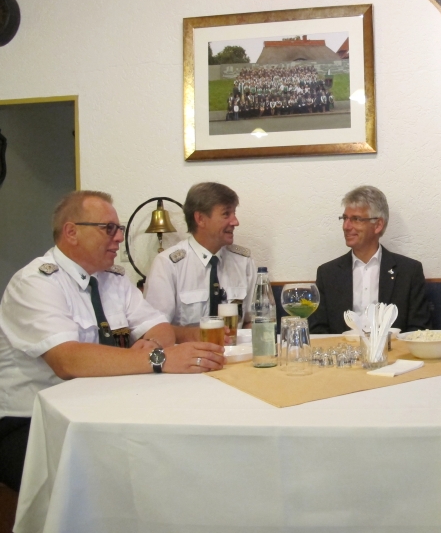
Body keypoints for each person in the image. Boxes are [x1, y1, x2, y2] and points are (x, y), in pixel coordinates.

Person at [0, 191, 224, 493]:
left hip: (99, 409)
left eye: (119, 228)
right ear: (71, 232)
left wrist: (151, 345)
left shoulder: (113, 279)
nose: (119, 237)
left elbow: (159, 326)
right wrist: (158, 359)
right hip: (33, 421)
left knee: (170, 457)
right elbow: (68, 360)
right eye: (108, 228)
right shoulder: (35, 283)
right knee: (111, 482)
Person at [308, 186, 431, 335]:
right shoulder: (327, 274)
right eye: (345, 218)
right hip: (343, 349)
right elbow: (318, 331)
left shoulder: (409, 272)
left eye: (356, 219)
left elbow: (419, 330)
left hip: (393, 349)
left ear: (378, 225)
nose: (346, 226)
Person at [145, 182, 257, 343]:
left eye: (234, 213)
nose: (235, 222)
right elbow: (154, 329)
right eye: (226, 214)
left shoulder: (243, 262)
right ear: (200, 219)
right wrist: (197, 335)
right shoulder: (168, 264)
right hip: (187, 356)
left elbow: (252, 320)